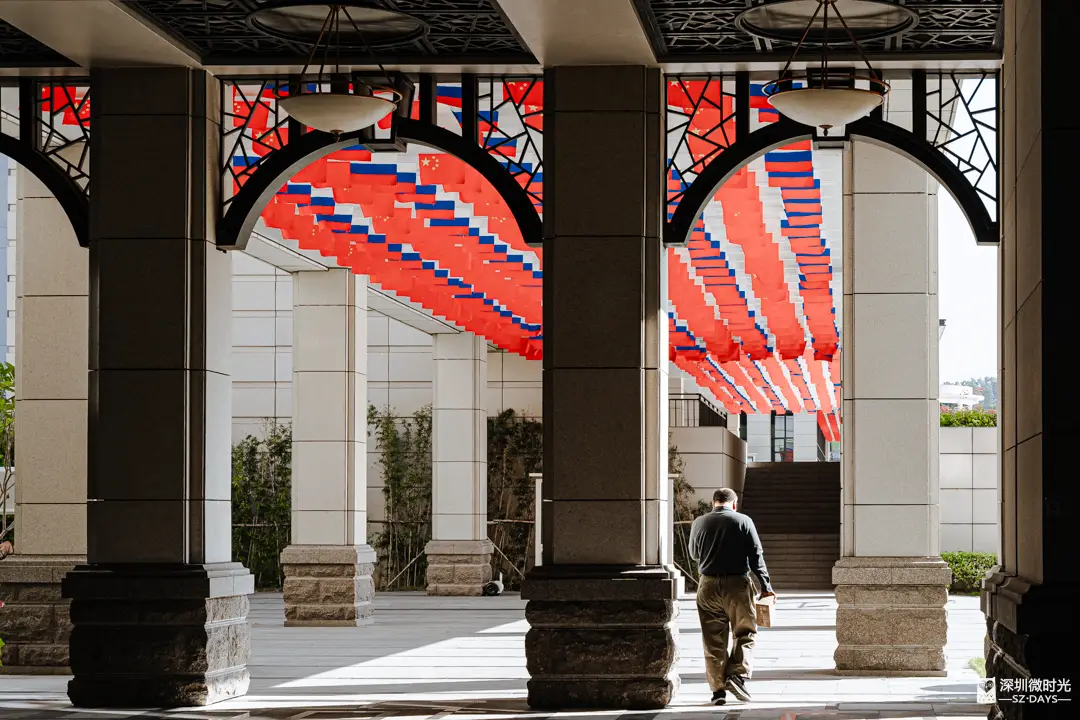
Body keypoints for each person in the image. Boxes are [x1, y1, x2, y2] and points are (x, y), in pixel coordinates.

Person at [689, 488, 775, 705]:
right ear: (734, 504)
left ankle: (718, 691)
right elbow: (756, 555)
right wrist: (766, 586)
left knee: (713, 639)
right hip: (736, 584)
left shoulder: (699, 522)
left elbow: (693, 554)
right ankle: (737, 675)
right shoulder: (743, 521)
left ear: (713, 503)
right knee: (745, 631)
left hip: (707, 585)